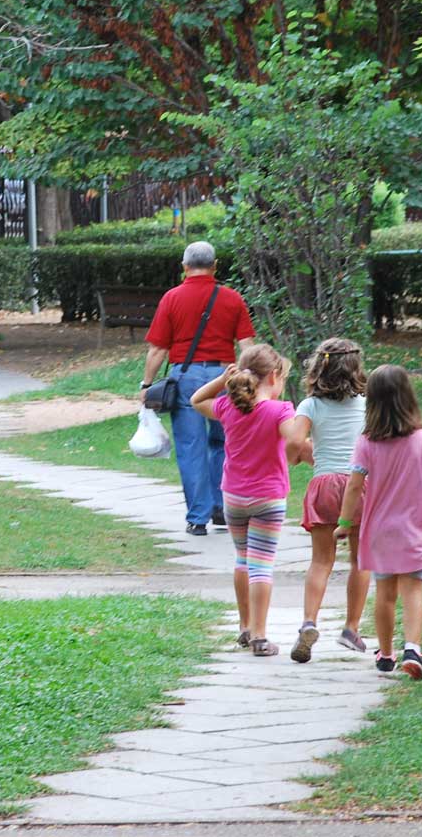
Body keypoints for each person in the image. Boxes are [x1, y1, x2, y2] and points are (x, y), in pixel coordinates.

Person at [341, 365, 422, 680]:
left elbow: (354, 485)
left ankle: (385, 654)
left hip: (380, 533)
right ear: (408, 397)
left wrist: (344, 522)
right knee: (413, 590)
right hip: (413, 531)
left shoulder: (367, 442)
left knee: (385, 593)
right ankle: (413, 649)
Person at [140, 240, 256, 536]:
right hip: (226, 376)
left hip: (186, 377)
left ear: (184, 267)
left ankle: (198, 517)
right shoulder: (232, 298)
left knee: (191, 446)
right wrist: (250, 379)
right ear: (215, 266)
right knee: (224, 442)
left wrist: (147, 384)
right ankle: (221, 509)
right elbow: (247, 345)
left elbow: (157, 349)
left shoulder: (172, 298)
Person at [190, 345, 297, 657]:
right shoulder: (280, 411)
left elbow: (196, 400)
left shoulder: (227, 407)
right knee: (261, 564)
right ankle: (260, 637)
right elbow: (294, 437)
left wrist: (222, 380)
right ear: (274, 376)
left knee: (242, 559)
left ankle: (245, 626)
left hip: (234, 496)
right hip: (268, 497)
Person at [286, 338, 371, 663]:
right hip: (359, 485)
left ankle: (309, 622)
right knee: (360, 560)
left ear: (318, 368)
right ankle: (351, 628)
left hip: (324, 484)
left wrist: (295, 457)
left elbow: (295, 441)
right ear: (356, 368)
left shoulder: (310, 406)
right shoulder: (367, 405)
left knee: (321, 561)